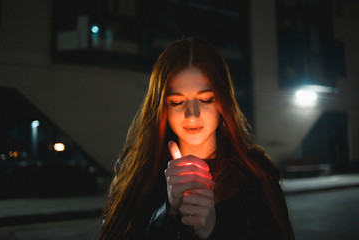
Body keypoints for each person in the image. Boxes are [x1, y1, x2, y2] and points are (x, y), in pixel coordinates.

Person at [99, 38, 295, 240]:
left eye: (206, 99)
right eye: (177, 102)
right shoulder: (137, 172)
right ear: (161, 107)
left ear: (223, 102)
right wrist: (169, 213)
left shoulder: (256, 174)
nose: (192, 114)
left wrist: (213, 232)